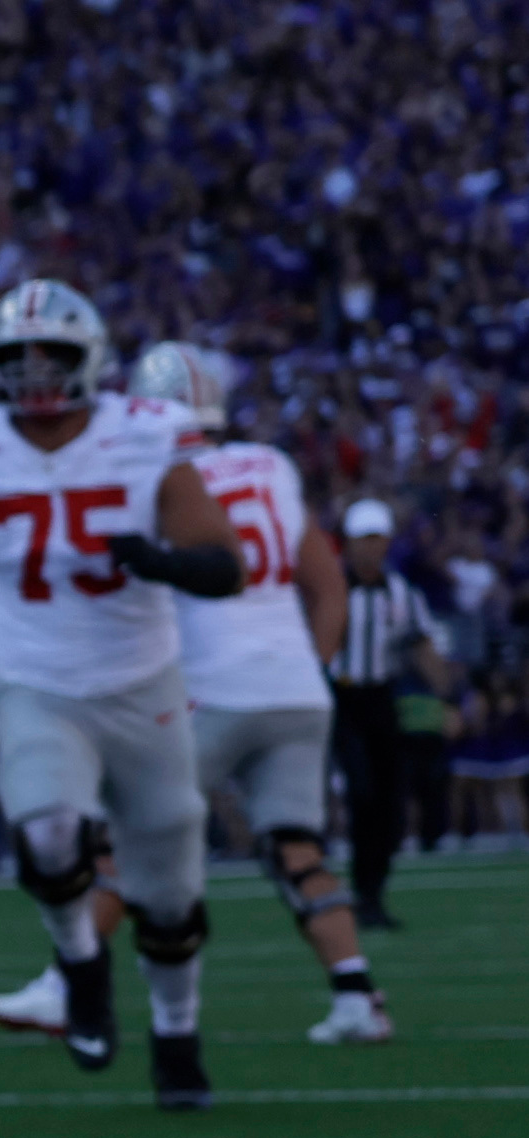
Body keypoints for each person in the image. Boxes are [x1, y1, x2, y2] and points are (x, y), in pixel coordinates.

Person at [0, 283, 248, 1111]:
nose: (35, 373)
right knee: (45, 829)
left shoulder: (144, 435)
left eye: (53, 356)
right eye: (16, 358)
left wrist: (158, 561)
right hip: (32, 678)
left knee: (170, 894)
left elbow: (225, 564)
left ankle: (176, 1037)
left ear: (92, 358)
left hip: (142, 683)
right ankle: (81, 965)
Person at [134, 345, 384, 1041]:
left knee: (131, 833)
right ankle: (358, 995)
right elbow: (327, 586)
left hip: (215, 686)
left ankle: (68, 983)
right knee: (296, 847)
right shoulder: (271, 466)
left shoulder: (159, 478)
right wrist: (313, 670)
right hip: (296, 687)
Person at [329, 497, 455, 933]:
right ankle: (353, 889)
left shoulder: (400, 592)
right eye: (365, 539)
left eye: (379, 539)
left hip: (380, 699)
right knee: (362, 793)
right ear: (348, 543)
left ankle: (371, 895)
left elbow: (420, 645)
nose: (372, 548)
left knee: (389, 800)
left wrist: (449, 697)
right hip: (339, 699)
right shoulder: (330, 588)